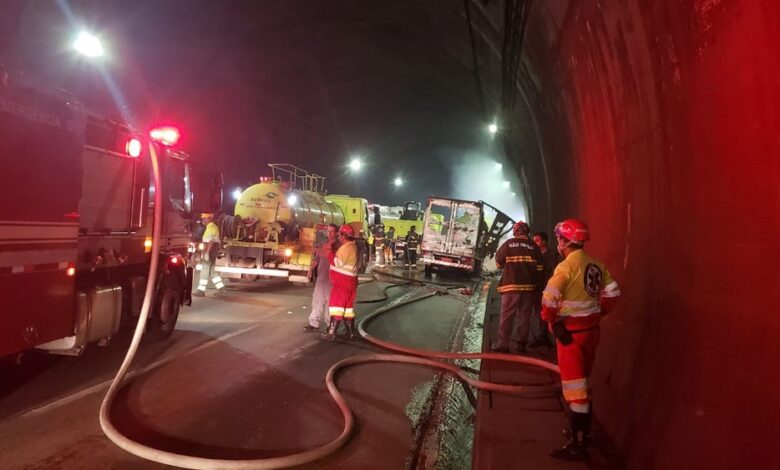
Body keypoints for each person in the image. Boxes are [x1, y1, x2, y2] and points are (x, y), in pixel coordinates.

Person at [541, 219, 621, 461]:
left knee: (575, 389)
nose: (558, 243)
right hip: (592, 332)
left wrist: (552, 321)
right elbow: (614, 293)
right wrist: (598, 313)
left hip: (570, 337)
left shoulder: (566, 268)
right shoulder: (596, 265)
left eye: (559, 239)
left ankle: (578, 443)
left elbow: (548, 301)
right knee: (584, 382)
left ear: (566, 241)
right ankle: (584, 430)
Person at [493, 221, 544, 353]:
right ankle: (521, 344)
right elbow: (540, 269)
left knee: (507, 316)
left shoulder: (509, 244)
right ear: (527, 232)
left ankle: (503, 345)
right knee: (524, 316)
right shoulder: (534, 247)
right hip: (528, 289)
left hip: (510, 287)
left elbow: (499, 262)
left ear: (516, 231)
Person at [325, 224, 360, 340]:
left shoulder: (347, 248)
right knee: (348, 309)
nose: (339, 237)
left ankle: (331, 332)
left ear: (344, 235)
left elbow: (338, 263)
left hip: (342, 283)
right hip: (349, 283)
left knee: (337, 306)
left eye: (340, 234)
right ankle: (350, 333)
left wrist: (330, 253)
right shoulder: (352, 246)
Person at [303, 224, 339, 332]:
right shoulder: (324, 243)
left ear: (337, 233)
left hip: (332, 278)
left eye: (332, 231)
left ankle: (329, 324)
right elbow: (317, 259)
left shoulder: (338, 246)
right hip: (321, 277)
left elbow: (327, 254)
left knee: (329, 302)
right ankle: (314, 323)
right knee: (317, 300)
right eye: (328, 231)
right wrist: (310, 269)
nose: (329, 233)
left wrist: (315, 249)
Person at [528, 231, 559, 348]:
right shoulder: (536, 255)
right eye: (534, 241)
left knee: (540, 312)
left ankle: (542, 337)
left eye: (537, 241)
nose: (535, 243)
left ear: (544, 242)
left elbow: (551, 273)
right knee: (538, 313)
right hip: (538, 288)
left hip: (545, 289)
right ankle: (541, 336)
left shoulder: (551, 256)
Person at [194, 213, 225, 297]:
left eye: (204, 218)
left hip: (210, 252)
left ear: (209, 218)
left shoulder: (211, 228)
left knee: (204, 270)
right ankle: (221, 289)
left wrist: (207, 252)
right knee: (212, 271)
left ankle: (200, 291)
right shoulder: (211, 227)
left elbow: (211, 241)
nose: (203, 220)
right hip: (211, 252)